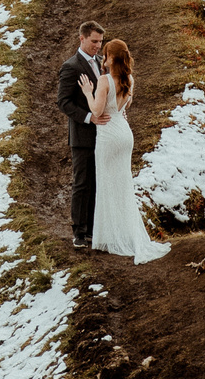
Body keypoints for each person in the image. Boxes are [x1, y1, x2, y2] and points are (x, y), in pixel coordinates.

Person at [78, 37, 170, 263]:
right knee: (123, 184)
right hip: (124, 133)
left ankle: (109, 237)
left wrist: (88, 92)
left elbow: (97, 112)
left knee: (107, 184)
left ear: (110, 58)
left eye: (105, 54)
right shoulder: (130, 79)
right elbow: (123, 107)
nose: (102, 57)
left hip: (108, 136)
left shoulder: (104, 80)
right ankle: (126, 234)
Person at [56, 22, 107, 248]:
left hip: (104, 135)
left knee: (97, 183)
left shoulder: (101, 63)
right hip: (82, 137)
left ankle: (93, 230)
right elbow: (63, 102)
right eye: (94, 41)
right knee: (82, 183)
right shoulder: (71, 66)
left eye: (100, 42)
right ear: (82, 39)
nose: (98, 46)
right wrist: (89, 117)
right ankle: (79, 232)